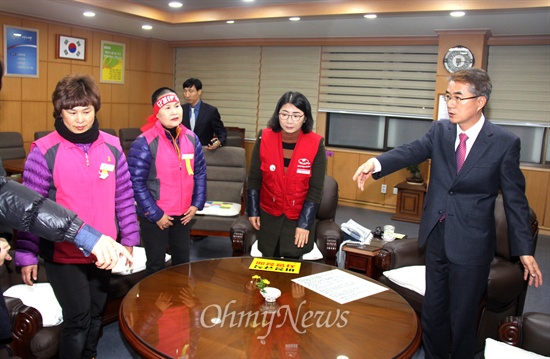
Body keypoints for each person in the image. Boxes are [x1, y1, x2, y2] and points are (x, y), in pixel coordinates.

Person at [352, 68, 542, 359]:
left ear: (479, 102)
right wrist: (376, 163)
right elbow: (410, 151)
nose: (450, 104)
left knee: (462, 320)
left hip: (472, 244)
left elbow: (516, 199)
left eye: (458, 97)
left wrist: (524, 250)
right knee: (433, 314)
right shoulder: (440, 131)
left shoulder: (504, 142)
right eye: (448, 96)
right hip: (437, 236)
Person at [15, 74, 140, 359]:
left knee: (96, 313)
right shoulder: (44, 150)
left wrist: (129, 239)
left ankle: (90, 355)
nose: (80, 119)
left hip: (104, 251)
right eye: (72, 112)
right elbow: (29, 209)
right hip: (63, 252)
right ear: (59, 112)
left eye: (87, 111)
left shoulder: (112, 146)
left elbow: (124, 197)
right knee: (78, 318)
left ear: (96, 110)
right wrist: (27, 254)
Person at [129, 87, 206, 275]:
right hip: (156, 216)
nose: (175, 111)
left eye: (177, 106)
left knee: (182, 264)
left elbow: (200, 173)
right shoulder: (144, 141)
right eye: (168, 108)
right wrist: (155, 214)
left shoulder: (191, 137)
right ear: (156, 113)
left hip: (184, 215)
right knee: (156, 266)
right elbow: (135, 183)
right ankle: (153, 304)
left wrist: (196, 204)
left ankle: (181, 302)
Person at [247, 91, 326, 259]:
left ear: (305, 118)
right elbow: (254, 179)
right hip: (269, 215)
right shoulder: (264, 137)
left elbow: (315, 189)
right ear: (278, 114)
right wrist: (253, 211)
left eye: (296, 115)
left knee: (294, 269)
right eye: (285, 114)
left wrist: (304, 224)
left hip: (297, 218)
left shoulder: (316, 143)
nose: (290, 121)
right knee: (268, 266)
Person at [181, 78, 227, 150]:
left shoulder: (211, 111)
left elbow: (222, 132)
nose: (187, 95)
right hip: (184, 151)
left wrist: (219, 142)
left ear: (199, 92)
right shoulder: (180, 110)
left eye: (191, 91)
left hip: (204, 152)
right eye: (185, 91)